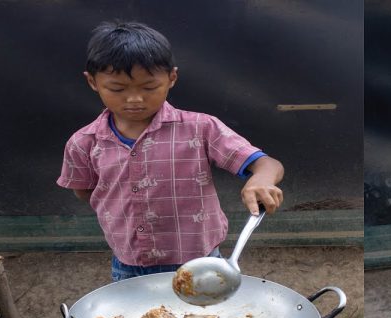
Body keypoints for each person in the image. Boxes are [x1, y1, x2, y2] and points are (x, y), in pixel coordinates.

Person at [57, 21, 284, 282]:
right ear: (92, 82)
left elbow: (268, 164)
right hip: (130, 264)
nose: (134, 99)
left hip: (201, 261)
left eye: (149, 87)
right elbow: (86, 191)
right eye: (117, 89)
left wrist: (261, 179)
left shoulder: (201, 128)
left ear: (171, 78)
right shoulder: (83, 142)